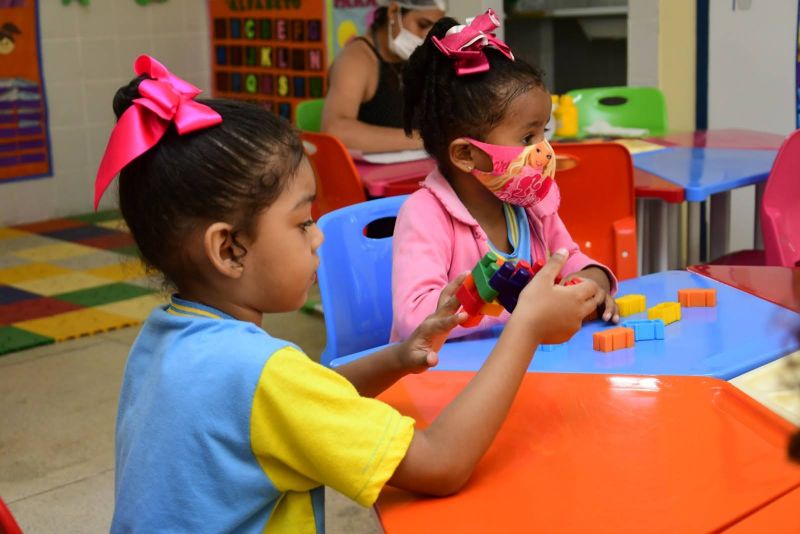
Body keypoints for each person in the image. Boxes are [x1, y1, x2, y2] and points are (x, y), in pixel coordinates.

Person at [100, 55, 603, 533]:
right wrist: (526, 329)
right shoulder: (261, 374)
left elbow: (301, 393)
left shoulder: (166, 336)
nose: (319, 237)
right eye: (302, 224)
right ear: (229, 249)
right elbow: (442, 464)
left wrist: (399, 358)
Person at [391, 10, 621, 342]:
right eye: (527, 139)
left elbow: (568, 259)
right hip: (447, 382)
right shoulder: (425, 216)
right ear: (466, 155)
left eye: (544, 132)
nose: (543, 150)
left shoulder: (529, 204)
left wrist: (593, 280)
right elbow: (413, 317)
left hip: (524, 372)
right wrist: (519, 307)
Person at [321, 0, 445, 153]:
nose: (426, 36)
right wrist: (423, 139)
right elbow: (335, 130)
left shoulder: (419, 59)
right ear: (393, 12)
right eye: (422, 24)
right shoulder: (355, 60)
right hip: (367, 175)